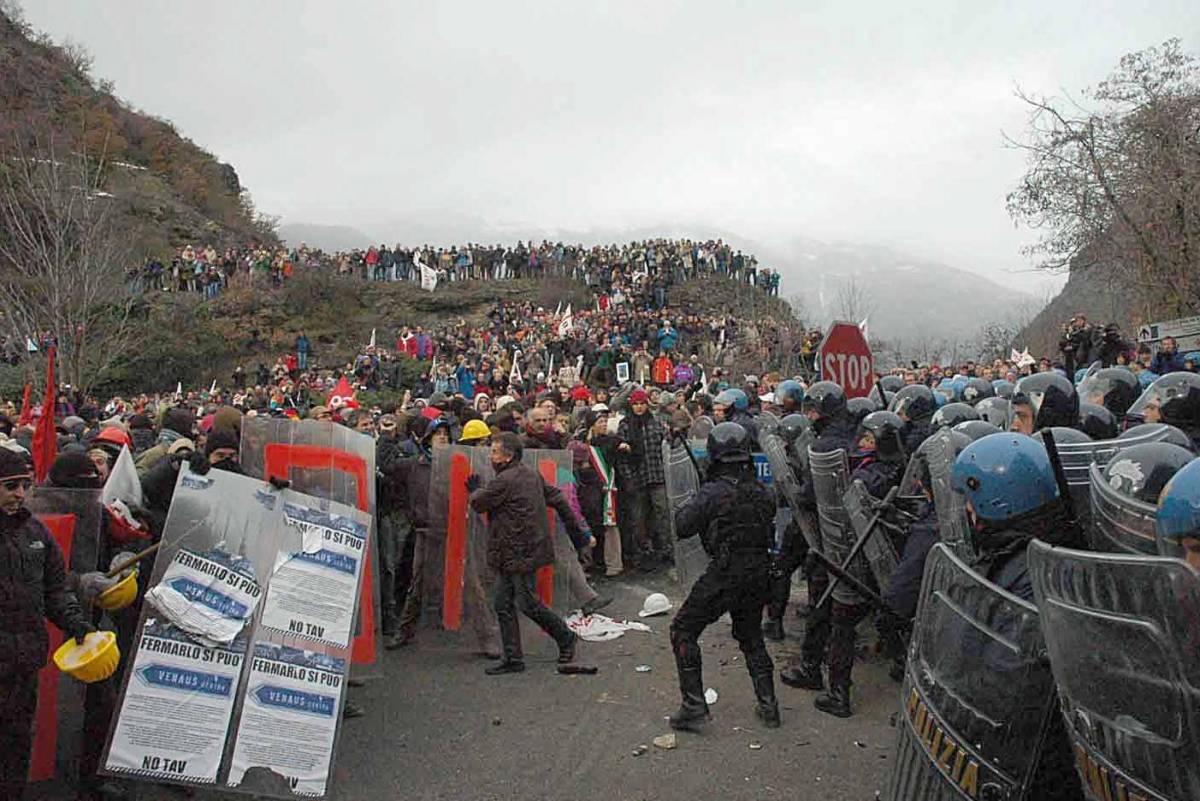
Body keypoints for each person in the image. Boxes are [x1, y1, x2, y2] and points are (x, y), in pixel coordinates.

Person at [667, 422, 779, 731]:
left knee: (683, 630)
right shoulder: (762, 491)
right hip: (759, 572)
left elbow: (683, 524)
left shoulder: (713, 492)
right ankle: (769, 705)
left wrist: (699, 497)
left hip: (727, 573)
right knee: (751, 636)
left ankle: (693, 706)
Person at [0, 448, 94, 796]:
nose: (20, 494)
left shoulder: (35, 533)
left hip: (23, 666)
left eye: (25, 485)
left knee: (15, 750)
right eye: (10, 485)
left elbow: (56, 588)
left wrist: (76, 623)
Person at [467, 432, 584, 675]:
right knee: (503, 603)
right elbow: (557, 498)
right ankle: (513, 657)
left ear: (508, 456)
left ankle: (565, 637)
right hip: (522, 549)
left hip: (517, 550)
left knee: (526, 603)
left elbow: (479, 503)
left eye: (495, 452)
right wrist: (578, 533)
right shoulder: (530, 474)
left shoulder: (505, 481)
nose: (492, 456)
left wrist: (475, 489)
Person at [616, 389, 671, 569]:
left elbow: (667, 446)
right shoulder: (625, 425)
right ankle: (642, 552)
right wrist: (628, 478)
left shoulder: (656, 422)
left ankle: (666, 549)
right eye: (636, 404)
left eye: (642, 404)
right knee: (638, 518)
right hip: (637, 477)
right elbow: (622, 456)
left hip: (657, 475)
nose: (639, 407)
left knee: (662, 513)